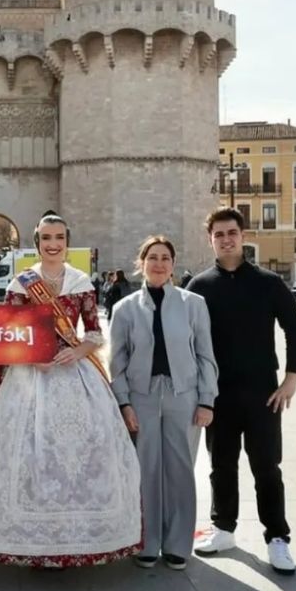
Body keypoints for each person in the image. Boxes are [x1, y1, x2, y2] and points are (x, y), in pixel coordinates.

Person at [0, 213, 142, 568]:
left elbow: (95, 332)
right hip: (25, 375)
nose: (53, 244)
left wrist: (79, 350)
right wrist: (29, 356)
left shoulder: (81, 282)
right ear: (37, 242)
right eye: (46, 238)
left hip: (74, 372)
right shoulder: (23, 283)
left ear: (67, 241)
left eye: (59, 238)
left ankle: (78, 541)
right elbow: (10, 330)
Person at [187, 207, 296, 575]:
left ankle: (277, 538)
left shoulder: (269, 282)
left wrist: (291, 379)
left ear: (242, 235)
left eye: (231, 233)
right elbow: (186, 340)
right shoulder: (198, 287)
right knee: (220, 466)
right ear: (210, 239)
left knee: (267, 466)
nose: (226, 239)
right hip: (218, 394)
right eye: (219, 234)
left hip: (262, 393)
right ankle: (224, 528)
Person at [109, 236, 218, 570]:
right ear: (141, 263)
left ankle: (177, 544)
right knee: (144, 469)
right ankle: (146, 541)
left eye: (165, 258)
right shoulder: (123, 309)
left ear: (173, 264)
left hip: (183, 396)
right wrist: (124, 404)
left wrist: (207, 400)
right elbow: (117, 362)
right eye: (152, 257)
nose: (159, 263)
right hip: (141, 397)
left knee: (180, 470)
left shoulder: (193, 304)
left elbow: (205, 355)